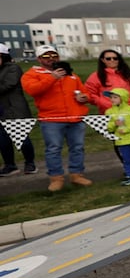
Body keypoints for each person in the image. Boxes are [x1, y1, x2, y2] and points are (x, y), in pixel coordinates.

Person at [20, 46, 92, 191]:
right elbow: (33, 90)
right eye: (46, 56)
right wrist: (52, 77)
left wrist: (84, 98)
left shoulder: (70, 74)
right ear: (39, 59)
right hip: (51, 119)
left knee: (77, 148)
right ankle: (56, 178)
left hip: (75, 117)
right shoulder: (32, 74)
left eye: (54, 55)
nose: (51, 58)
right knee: (53, 149)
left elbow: (84, 91)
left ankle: (76, 175)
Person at [0, 46, 37, 175]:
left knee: (22, 138)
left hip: (14, 109)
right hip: (1, 110)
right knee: (3, 141)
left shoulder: (13, 68)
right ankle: (10, 165)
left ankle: (30, 163)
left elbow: (8, 85)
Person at [103, 88, 130, 185]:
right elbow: (108, 127)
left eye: (115, 97)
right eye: (111, 97)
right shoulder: (109, 112)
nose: (112, 99)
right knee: (127, 159)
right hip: (121, 141)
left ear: (123, 98)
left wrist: (127, 129)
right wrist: (115, 123)